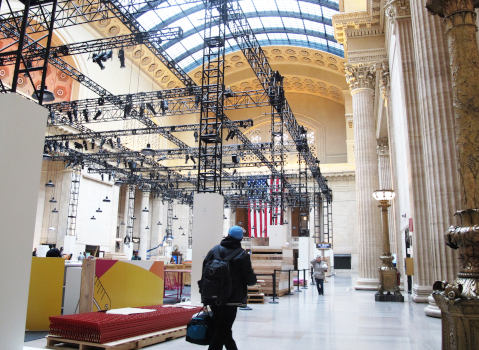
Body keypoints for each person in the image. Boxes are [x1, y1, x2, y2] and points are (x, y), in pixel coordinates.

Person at [200, 226, 256, 350]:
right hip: (232, 299)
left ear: (227, 235)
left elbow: (204, 272)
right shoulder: (242, 255)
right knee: (223, 330)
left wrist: (204, 294)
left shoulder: (214, 251)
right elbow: (250, 280)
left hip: (213, 297)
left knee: (222, 329)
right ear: (240, 238)